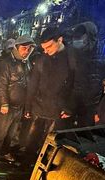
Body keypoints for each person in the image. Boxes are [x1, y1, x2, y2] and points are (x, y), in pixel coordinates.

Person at [24, 27, 77, 157]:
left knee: (49, 144)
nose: (46, 51)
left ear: (59, 40)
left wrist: (69, 106)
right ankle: (27, 163)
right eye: (44, 49)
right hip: (39, 108)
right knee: (31, 141)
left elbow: (76, 85)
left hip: (57, 111)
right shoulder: (43, 59)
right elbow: (33, 84)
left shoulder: (72, 59)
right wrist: (28, 106)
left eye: (49, 47)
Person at [0, 36, 35, 163]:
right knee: (1, 132)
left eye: (29, 49)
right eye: (24, 48)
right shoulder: (7, 63)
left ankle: (5, 152)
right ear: (16, 48)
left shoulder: (27, 63)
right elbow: (1, 84)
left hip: (19, 107)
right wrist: (4, 103)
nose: (26, 51)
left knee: (11, 133)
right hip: (7, 106)